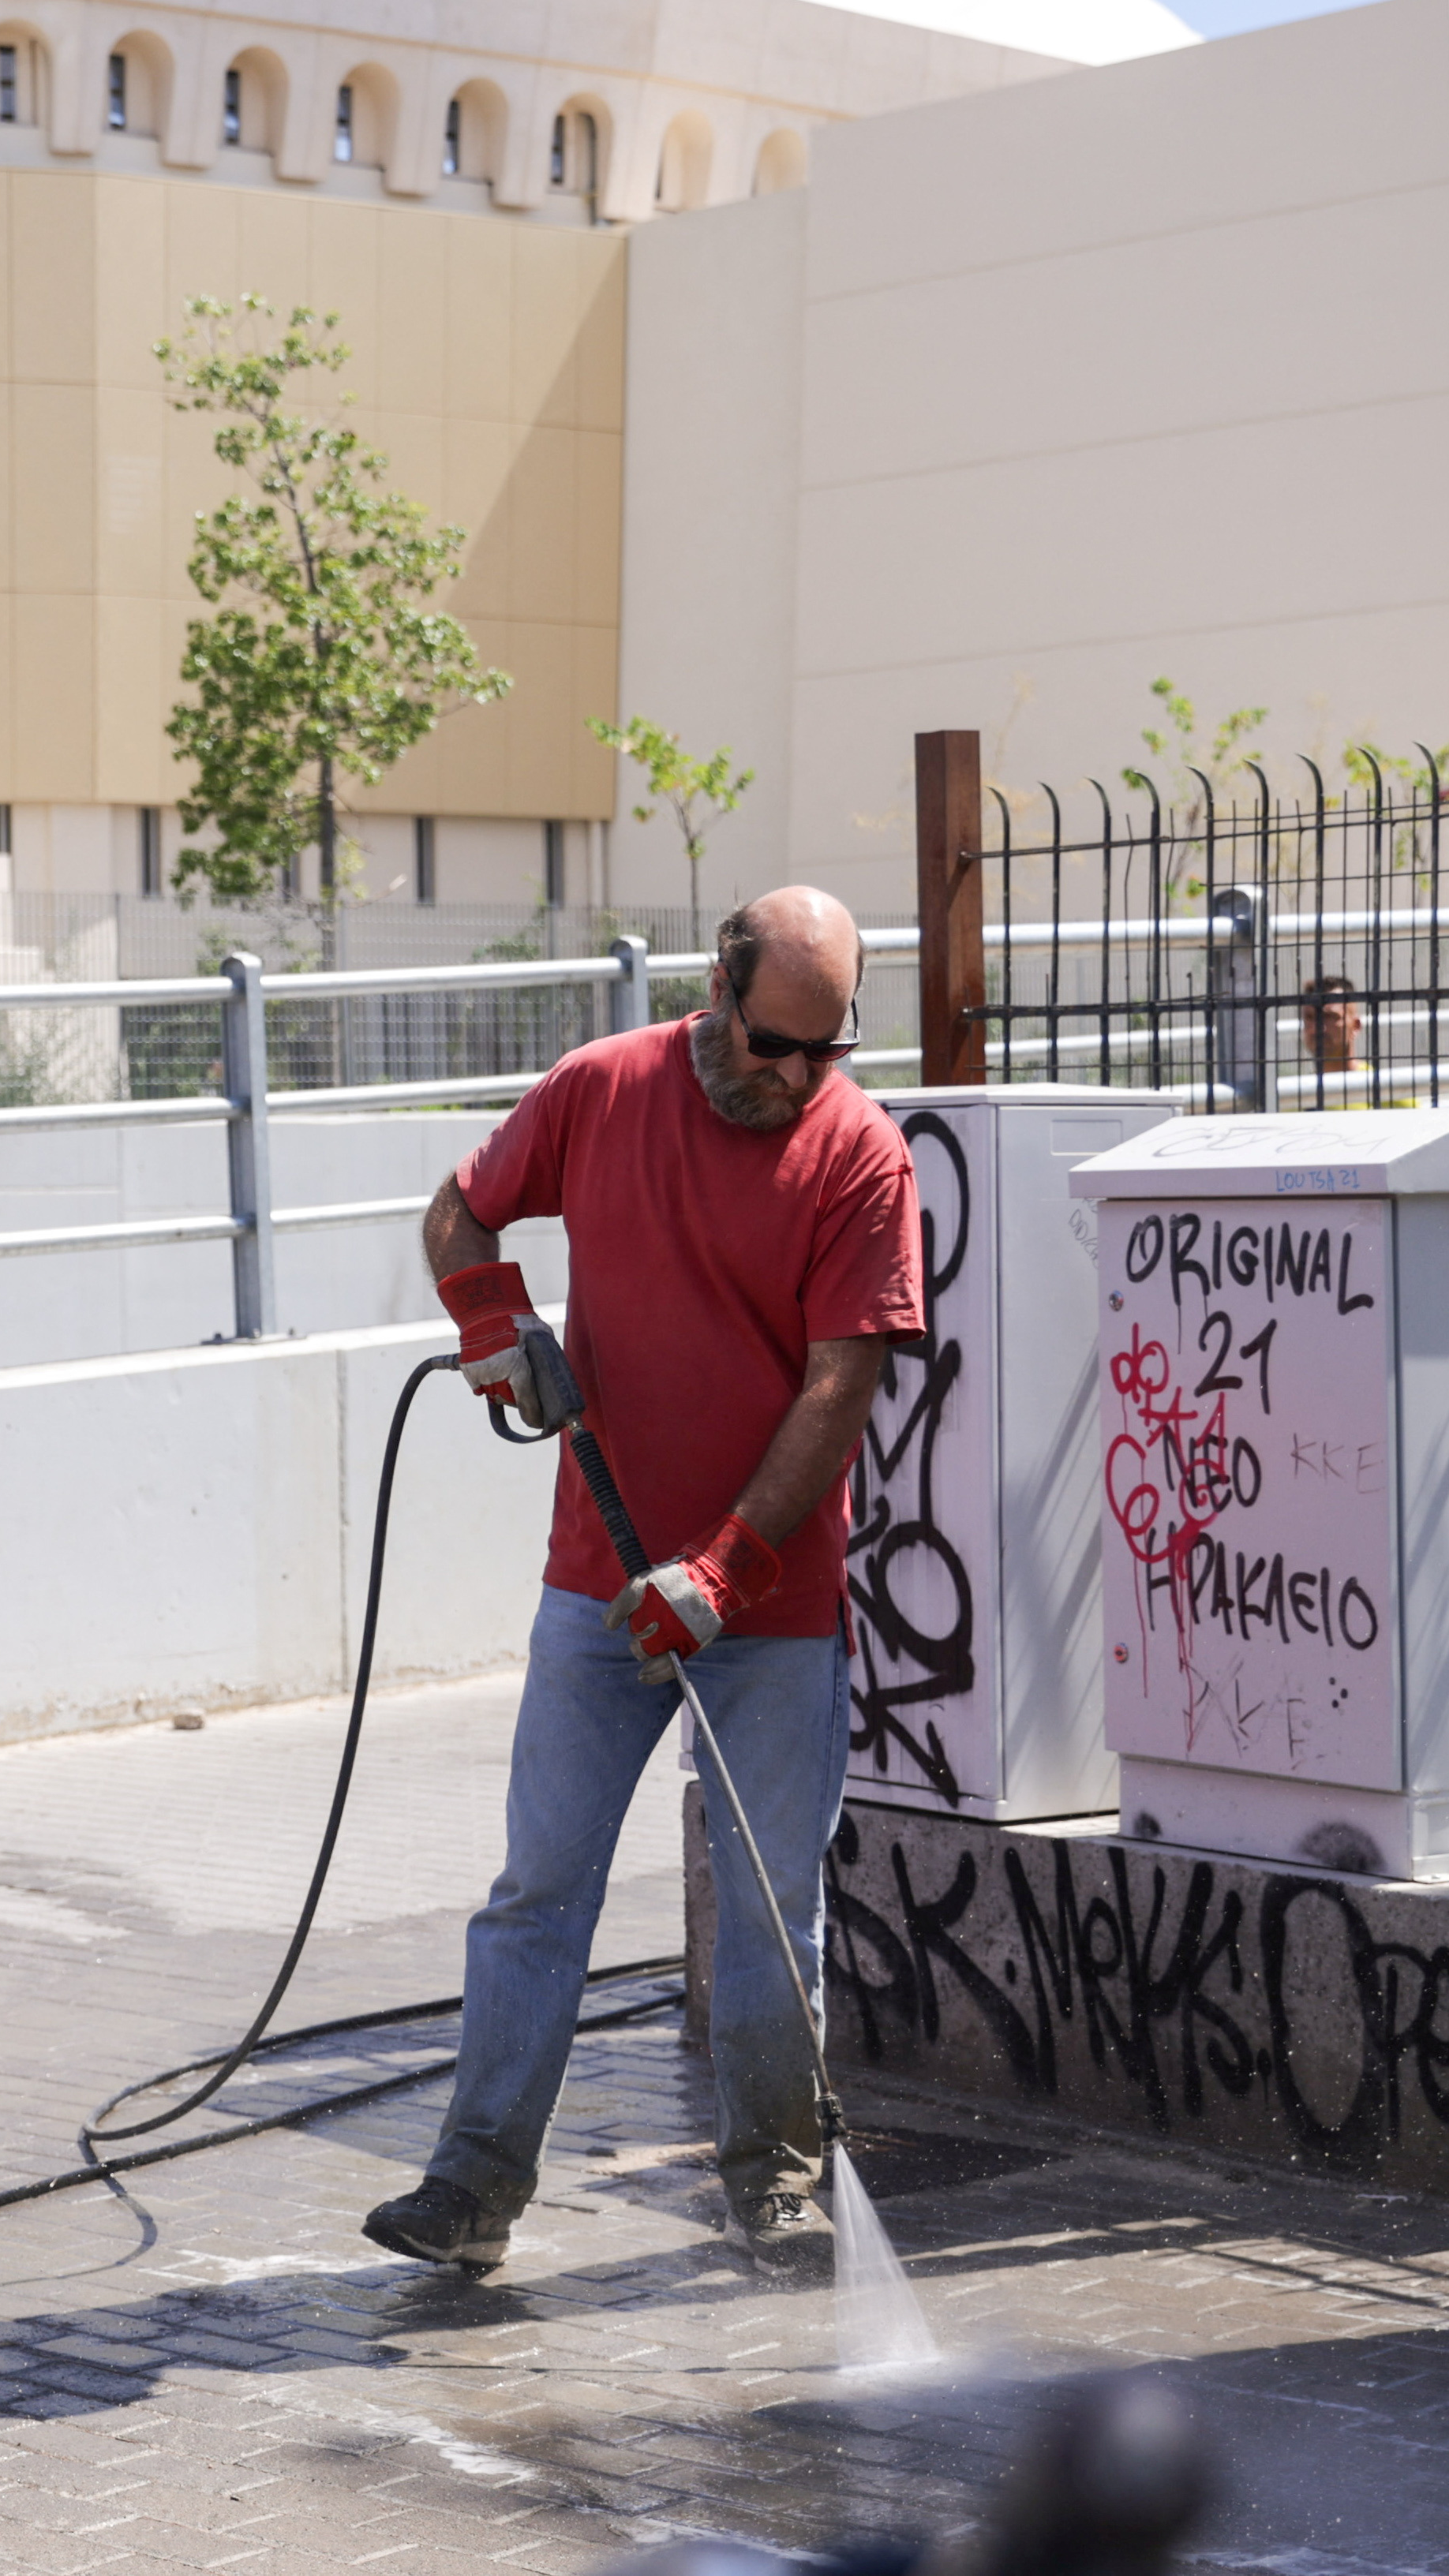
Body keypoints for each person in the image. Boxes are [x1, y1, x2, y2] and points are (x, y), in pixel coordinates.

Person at [361, 888, 923, 2272]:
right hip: (593, 1581)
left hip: (769, 1607)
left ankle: (776, 2180)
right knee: (539, 1889)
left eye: (825, 1051)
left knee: (767, 1908)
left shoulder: (860, 1156)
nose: (796, 1076)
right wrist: (491, 1317)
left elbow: (841, 1384)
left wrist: (725, 1569)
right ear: (719, 990)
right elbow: (458, 1211)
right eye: (776, 1043)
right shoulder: (601, 1091)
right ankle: (474, 2186)